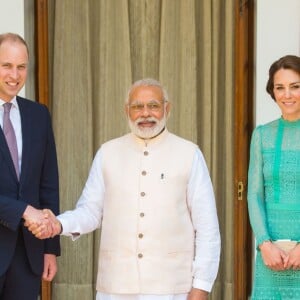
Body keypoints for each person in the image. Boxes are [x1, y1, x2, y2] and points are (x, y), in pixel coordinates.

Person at [28, 78, 220, 300]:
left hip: (173, 288)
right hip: (115, 286)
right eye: (137, 106)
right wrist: (59, 224)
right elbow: (90, 211)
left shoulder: (189, 154)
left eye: (154, 106)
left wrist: (202, 285)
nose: (145, 113)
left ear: (167, 108)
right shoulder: (108, 153)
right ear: (126, 110)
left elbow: (207, 228)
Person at [0, 32, 60, 300]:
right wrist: (23, 210)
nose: (15, 75)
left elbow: (48, 185)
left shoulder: (39, 115)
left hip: (28, 255)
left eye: (21, 66)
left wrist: (50, 247)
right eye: (7, 66)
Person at [247, 55, 300, 299]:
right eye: (280, 88)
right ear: (272, 91)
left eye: (295, 87)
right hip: (271, 256)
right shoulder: (262, 134)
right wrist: (264, 244)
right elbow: (255, 194)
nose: (287, 95)